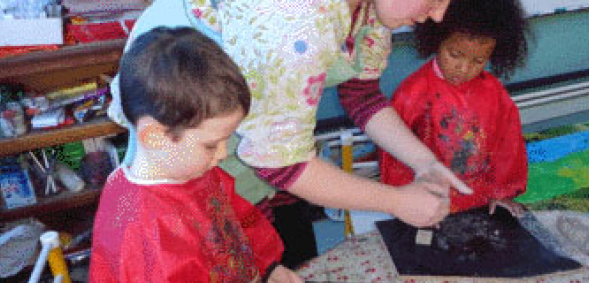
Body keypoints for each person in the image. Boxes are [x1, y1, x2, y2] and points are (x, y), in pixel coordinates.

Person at [108, 1, 474, 247]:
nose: (440, 15)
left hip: (250, 148)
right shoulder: (297, 23)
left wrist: (426, 164)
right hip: (183, 136)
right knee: (202, 254)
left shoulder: (374, 8)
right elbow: (280, 164)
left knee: (253, 252)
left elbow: (361, 96)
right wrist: (396, 202)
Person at [89, 27, 311, 283]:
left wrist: (268, 267)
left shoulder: (189, 169)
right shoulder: (143, 227)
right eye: (211, 144)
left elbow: (236, 219)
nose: (222, 154)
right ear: (154, 136)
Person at [379, 0, 530, 216]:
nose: (464, 68)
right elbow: (393, 156)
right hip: (430, 198)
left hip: (480, 198)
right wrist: (407, 198)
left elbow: (508, 145)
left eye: (478, 61)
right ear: (437, 40)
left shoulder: (494, 92)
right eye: (455, 55)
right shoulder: (412, 93)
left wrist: (502, 192)